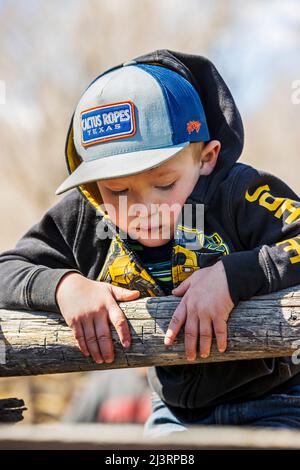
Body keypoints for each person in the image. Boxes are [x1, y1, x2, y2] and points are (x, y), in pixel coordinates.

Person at [1, 49, 300, 437]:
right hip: (174, 415)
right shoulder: (86, 216)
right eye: (118, 189)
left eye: (164, 184)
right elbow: (7, 269)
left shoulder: (238, 193)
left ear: (206, 158)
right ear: (92, 186)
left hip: (276, 403)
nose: (144, 207)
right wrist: (64, 287)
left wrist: (234, 275)